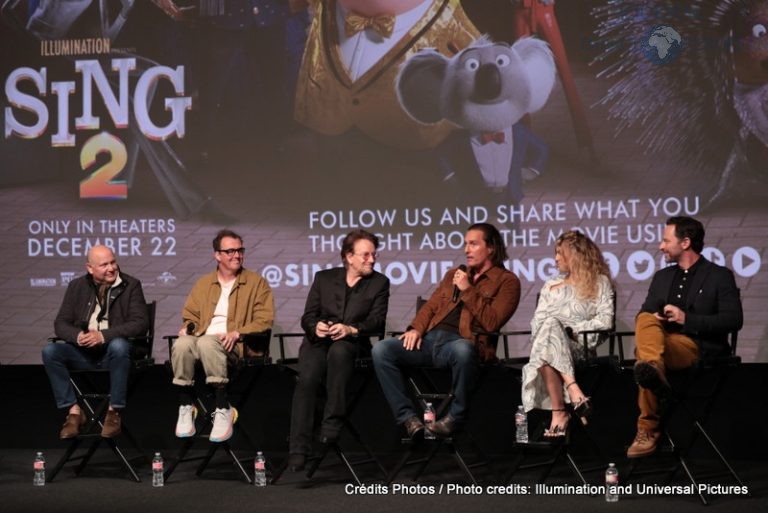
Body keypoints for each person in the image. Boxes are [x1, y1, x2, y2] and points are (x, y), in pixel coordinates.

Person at [372, 223, 521, 438]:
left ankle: (455, 417)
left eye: (473, 244)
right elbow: (431, 306)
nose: (466, 250)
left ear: (491, 248)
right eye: (465, 244)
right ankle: (407, 418)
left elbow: (492, 322)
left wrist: (468, 290)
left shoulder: (507, 282)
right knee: (382, 350)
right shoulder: (455, 273)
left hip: (461, 344)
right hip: (429, 341)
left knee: (463, 351)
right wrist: (415, 329)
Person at [627, 216, 743, 458]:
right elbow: (645, 314)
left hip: (697, 346)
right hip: (661, 345)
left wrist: (685, 319)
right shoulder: (662, 277)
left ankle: (647, 427)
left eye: (665, 240)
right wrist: (658, 317)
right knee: (646, 320)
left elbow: (733, 320)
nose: (660, 246)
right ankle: (653, 370)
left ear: (685, 242)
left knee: (645, 357)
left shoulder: (719, 275)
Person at [288, 230, 390, 471]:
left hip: (352, 344)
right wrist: (317, 326)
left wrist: (351, 329)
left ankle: (331, 425)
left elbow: (377, 322)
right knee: (308, 378)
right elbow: (308, 317)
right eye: (365, 255)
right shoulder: (323, 278)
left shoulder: (379, 283)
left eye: (373, 255)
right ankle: (298, 447)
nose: (372, 260)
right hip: (319, 342)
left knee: (340, 352)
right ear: (348, 256)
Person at [171, 229, 274, 442]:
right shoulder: (203, 283)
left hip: (235, 345)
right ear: (217, 255)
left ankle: (221, 406)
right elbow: (190, 316)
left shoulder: (256, 282)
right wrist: (188, 328)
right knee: (182, 344)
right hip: (203, 341)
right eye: (230, 251)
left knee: (209, 342)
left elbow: (264, 320)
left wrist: (238, 333)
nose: (236, 255)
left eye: (240, 250)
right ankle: (185, 405)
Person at [42, 245, 149, 439]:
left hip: (115, 353)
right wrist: (77, 336)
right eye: (104, 265)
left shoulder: (131, 285)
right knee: (50, 351)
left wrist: (103, 335)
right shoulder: (77, 286)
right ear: (90, 268)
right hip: (84, 352)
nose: (111, 268)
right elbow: (61, 322)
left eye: (113, 262)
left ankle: (113, 411)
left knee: (119, 345)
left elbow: (140, 323)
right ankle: (73, 411)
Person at [520, 230, 614, 437]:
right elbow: (537, 322)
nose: (555, 258)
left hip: (579, 347)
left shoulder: (599, 282)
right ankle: (573, 390)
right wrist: (556, 328)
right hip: (547, 345)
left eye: (560, 253)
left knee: (552, 328)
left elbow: (605, 321)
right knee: (549, 328)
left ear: (577, 255)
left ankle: (560, 411)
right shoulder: (550, 285)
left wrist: (570, 330)